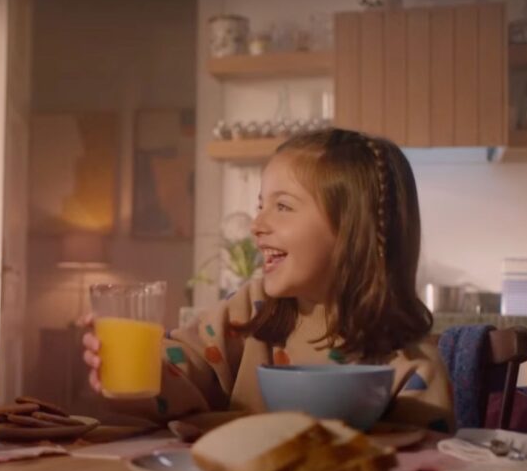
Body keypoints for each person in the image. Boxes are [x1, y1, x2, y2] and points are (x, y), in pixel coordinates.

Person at [82, 128, 455, 432]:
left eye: (283, 206)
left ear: (354, 232)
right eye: (261, 205)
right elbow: (185, 365)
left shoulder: (411, 366)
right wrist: (135, 369)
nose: (257, 225)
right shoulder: (250, 313)